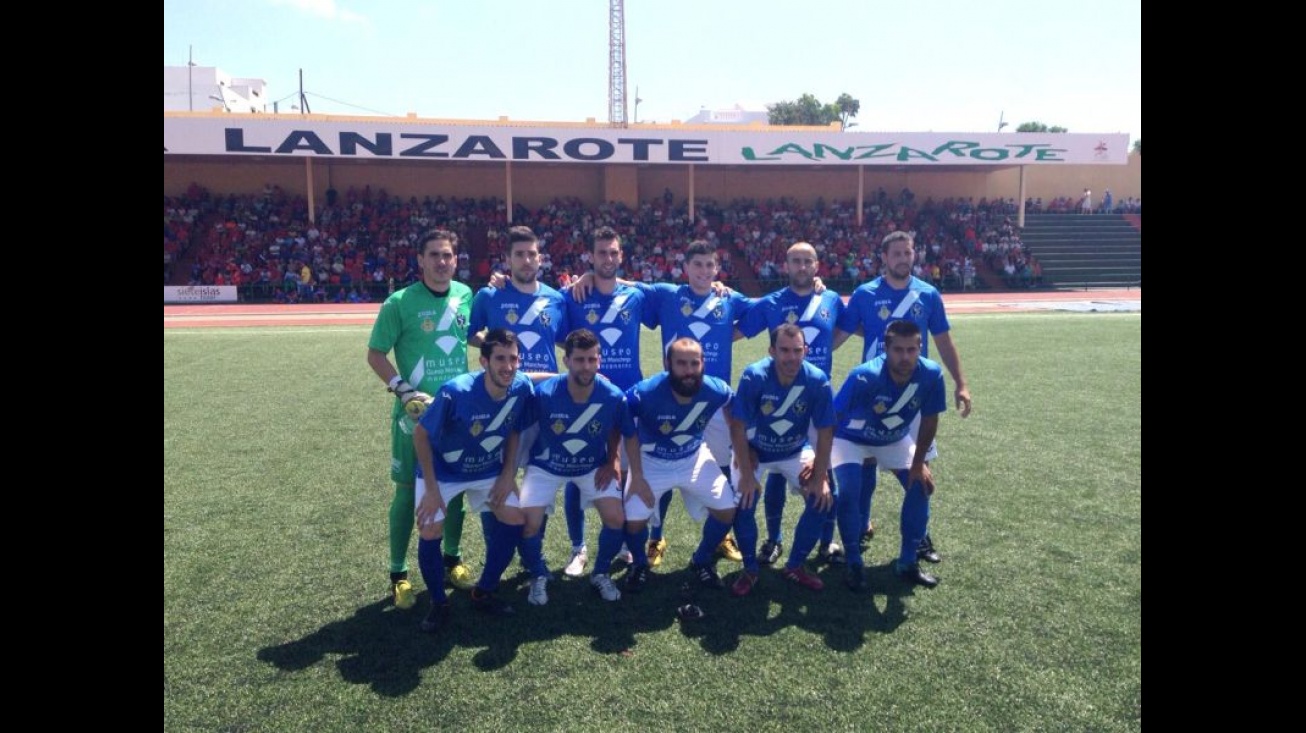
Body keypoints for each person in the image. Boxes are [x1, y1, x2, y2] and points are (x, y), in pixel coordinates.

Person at [834, 230, 972, 566]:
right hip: (874, 395)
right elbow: (840, 333)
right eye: (895, 253)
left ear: (914, 255)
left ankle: (920, 538)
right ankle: (861, 523)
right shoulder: (865, 294)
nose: (902, 258)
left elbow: (942, 341)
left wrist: (961, 383)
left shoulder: (928, 294)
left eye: (907, 252)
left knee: (920, 470)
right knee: (864, 465)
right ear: (884, 257)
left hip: (913, 396)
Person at [366, 229, 475, 611]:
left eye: (447, 255)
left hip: (456, 414)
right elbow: (376, 354)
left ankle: (452, 559)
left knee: (455, 491)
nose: (442, 262)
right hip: (413, 417)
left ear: (455, 259)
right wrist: (403, 389)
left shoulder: (465, 295)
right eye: (434, 255)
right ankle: (398, 573)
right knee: (405, 494)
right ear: (420, 260)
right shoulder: (399, 303)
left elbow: (466, 336)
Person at [412, 329, 536, 630]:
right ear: (484, 361)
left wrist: (508, 476)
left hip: (487, 470)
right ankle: (439, 603)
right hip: (442, 472)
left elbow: (514, 430)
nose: (508, 366)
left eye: (514, 359)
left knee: (516, 518)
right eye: (500, 359)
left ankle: (485, 590)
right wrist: (431, 490)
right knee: (430, 529)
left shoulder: (521, 386)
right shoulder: (455, 391)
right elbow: (421, 434)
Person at [641, 240, 754, 568]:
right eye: (698, 265)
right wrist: (589, 276)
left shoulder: (729, 298)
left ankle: (719, 537)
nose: (704, 271)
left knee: (719, 466)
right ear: (685, 268)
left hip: (714, 402)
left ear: (716, 269)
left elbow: (765, 310)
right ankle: (655, 536)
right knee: (663, 465)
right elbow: (621, 284)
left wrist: (726, 336)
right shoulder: (667, 295)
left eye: (709, 265)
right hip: (671, 399)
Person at [555, 226, 656, 577]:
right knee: (575, 474)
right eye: (601, 253)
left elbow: (691, 292)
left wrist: (720, 285)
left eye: (613, 253)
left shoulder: (638, 294)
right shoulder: (573, 297)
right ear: (591, 257)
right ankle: (578, 547)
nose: (608, 258)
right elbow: (556, 333)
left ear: (621, 256)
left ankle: (629, 543)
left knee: (625, 472)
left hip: (628, 399)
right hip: (583, 399)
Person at [737, 241, 846, 567]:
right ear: (785, 265)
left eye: (807, 261)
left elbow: (846, 329)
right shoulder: (771, 303)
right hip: (777, 396)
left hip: (815, 398)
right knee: (777, 475)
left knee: (825, 476)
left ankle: (827, 543)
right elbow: (736, 329)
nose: (801, 267)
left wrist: (826, 350)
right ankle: (774, 539)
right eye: (795, 261)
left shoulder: (830, 299)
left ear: (817, 266)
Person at [830, 320, 947, 590]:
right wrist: (822, 461)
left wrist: (918, 465)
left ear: (920, 347)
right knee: (849, 490)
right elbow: (833, 418)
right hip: (851, 439)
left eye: (911, 350)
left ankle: (907, 561)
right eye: (898, 350)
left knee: (921, 485)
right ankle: (854, 563)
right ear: (886, 348)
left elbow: (930, 420)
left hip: (892, 437)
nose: (904, 357)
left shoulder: (931, 374)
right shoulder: (864, 376)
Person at [619, 337, 739, 594]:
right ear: (667, 364)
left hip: (693, 457)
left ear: (702, 363)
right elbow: (625, 421)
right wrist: (635, 474)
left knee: (727, 511)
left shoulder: (715, 388)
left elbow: (733, 407)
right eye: (681, 363)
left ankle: (702, 559)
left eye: (694, 363)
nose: (688, 370)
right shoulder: (646, 392)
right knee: (633, 521)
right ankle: (639, 565)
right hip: (652, 461)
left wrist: (741, 451)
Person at [519, 328, 628, 602]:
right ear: (566, 360)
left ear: (599, 360)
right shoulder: (544, 394)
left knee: (616, 518)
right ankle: (538, 574)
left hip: (591, 466)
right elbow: (516, 427)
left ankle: (601, 573)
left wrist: (613, 458)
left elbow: (616, 425)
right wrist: (511, 471)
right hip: (546, 465)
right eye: (579, 359)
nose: (587, 366)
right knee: (528, 524)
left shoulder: (612, 395)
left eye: (592, 359)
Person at [728, 324, 836, 596]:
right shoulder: (754, 376)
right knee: (744, 500)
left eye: (797, 351)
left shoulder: (817, 379)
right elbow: (737, 427)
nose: (791, 357)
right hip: (755, 454)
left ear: (806, 351)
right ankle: (750, 569)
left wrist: (821, 475)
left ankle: (795, 565)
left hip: (794, 451)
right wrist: (748, 475)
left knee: (823, 498)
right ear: (771, 351)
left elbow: (825, 432)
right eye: (784, 351)